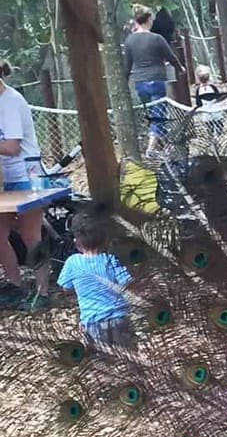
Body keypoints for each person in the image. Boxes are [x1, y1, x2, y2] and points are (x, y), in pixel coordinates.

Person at [0, 59, 49, 310]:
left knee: (31, 235)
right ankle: (15, 285)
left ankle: (42, 292)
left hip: (26, 174)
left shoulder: (10, 101)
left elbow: (11, 146)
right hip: (4, 178)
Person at [57, 211, 134, 348]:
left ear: (77, 239)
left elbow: (65, 287)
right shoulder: (112, 260)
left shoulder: (73, 262)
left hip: (93, 321)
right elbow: (127, 283)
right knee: (127, 357)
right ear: (105, 239)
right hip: (120, 317)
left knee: (102, 360)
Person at [124, 6, 185, 158]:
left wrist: (125, 81)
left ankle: (165, 147)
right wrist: (180, 68)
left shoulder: (130, 40)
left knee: (152, 114)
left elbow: (127, 65)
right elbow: (171, 57)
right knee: (158, 114)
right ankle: (151, 149)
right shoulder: (157, 39)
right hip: (156, 79)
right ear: (148, 20)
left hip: (140, 83)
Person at [192, 65, 226, 137]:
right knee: (218, 121)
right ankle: (219, 134)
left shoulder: (198, 89)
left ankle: (211, 134)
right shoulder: (212, 87)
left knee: (209, 123)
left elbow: (198, 101)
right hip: (215, 107)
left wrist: (199, 106)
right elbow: (218, 96)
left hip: (206, 109)